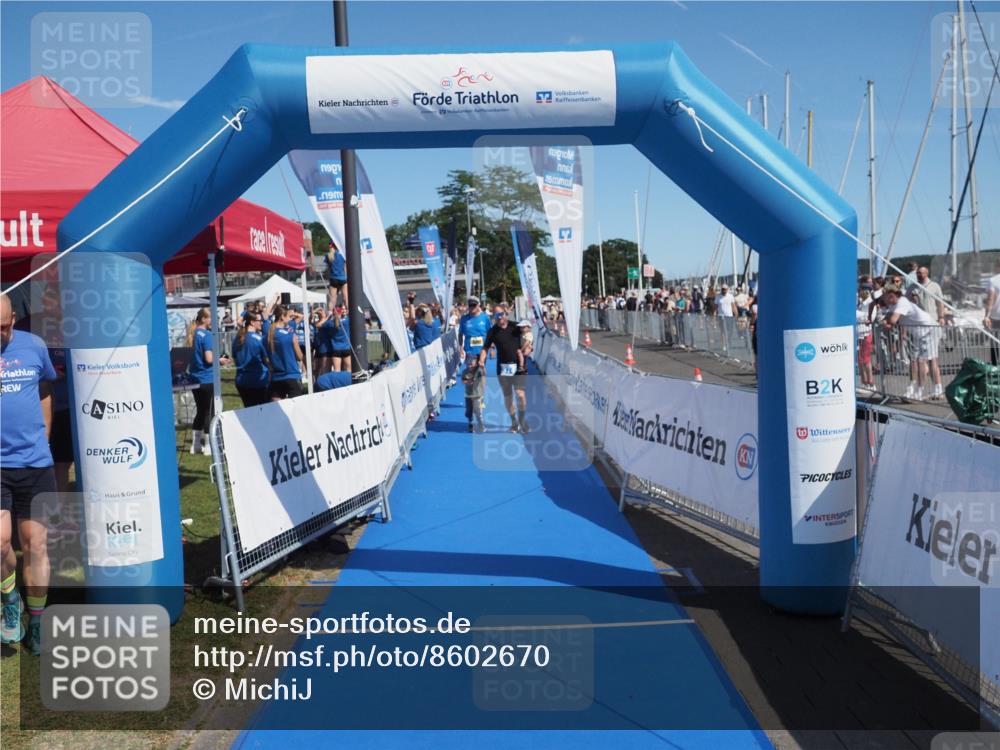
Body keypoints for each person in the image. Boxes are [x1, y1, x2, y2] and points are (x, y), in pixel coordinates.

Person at [1, 293, 55, 655]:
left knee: (35, 544)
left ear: (14, 319)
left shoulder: (34, 346)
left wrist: (45, 436)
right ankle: (9, 601)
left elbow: (46, 388)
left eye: (4, 327)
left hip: (35, 464)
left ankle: (36, 621)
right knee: (0, 542)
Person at [880, 284, 943, 401]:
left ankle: (920, 392)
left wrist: (885, 323)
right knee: (924, 361)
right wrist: (885, 321)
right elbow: (889, 316)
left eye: (884, 297)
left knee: (923, 361)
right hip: (921, 333)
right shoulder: (894, 305)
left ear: (891, 296)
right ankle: (936, 389)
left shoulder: (901, 302)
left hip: (929, 330)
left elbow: (893, 320)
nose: (883, 300)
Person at [479, 305, 527, 433]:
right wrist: (481, 360)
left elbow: (529, 333)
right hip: (503, 368)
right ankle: (514, 422)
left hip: (519, 366)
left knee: (520, 394)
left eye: (500, 314)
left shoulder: (515, 326)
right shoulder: (492, 331)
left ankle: (522, 419)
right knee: (508, 397)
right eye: (496, 316)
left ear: (505, 314)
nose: (499, 318)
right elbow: (485, 347)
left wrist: (528, 346)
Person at [186, 308, 216, 455]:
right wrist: (220, 360)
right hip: (207, 378)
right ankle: (209, 446)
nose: (212, 321)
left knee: (200, 410)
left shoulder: (193, 333)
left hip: (195, 378)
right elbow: (209, 359)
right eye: (210, 318)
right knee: (208, 412)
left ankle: (195, 445)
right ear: (204, 319)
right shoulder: (207, 335)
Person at [266, 304, 305, 400]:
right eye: (290, 316)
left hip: (276, 377)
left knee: (276, 411)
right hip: (292, 375)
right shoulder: (290, 336)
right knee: (296, 411)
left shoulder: (269, 333)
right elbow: (300, 357)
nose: (292, 319)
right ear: (282, 317)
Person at [232, 312, 270, 407]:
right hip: (258, 381)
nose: (261, 323)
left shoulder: (237, 339)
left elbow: (235, 359)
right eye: (259, 321)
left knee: (249, 411)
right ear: (252, 322)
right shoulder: (259, 339)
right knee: (262, 413)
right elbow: (267, 360)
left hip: (242, 381)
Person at [458, 297, 490, 366]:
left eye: (474, 305)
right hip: (470, 350)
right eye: (470, 305)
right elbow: (460, 334)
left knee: (481, 369)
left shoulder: (485, 318)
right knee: (470, 370)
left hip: (483, 349)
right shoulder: (464, 319)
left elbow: (490, 333)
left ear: (478, 305)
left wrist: (492, 347)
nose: (472, 307)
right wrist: (460, 348)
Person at [461, 361, 486, 433]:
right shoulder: (465, 371)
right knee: (469, 410)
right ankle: (470, 423)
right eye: (468, 363)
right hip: (468, 394)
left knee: (478, 411)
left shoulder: (479, 370)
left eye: (471, 363)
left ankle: (481, 426)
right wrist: (469, 382)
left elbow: (484, 375)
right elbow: (463, 381)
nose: (469, 365)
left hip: (477, 394)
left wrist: (483, 367)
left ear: (475, 363)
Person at [328, 306, 352, 373]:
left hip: (336, 349)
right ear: (341, 313)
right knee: (348, 370)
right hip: (346, 348)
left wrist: (329, 316)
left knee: (337, 371)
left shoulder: (330, 324)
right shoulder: (347, 322)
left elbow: (323, 324)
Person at [985, 259, 1000, 366]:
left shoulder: (993, 280)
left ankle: (996, 368)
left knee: (995, 344)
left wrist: (987, 316)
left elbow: (991, 299)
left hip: (996, 316)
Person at [326, 242, 348, 308]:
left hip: (333, 278)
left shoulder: (328, 255)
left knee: (332, 299)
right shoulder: (342, 254)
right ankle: (349, 314)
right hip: (342, 278)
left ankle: (330, 314)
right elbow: (345, 267)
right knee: (346, 298)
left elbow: (328, 268)